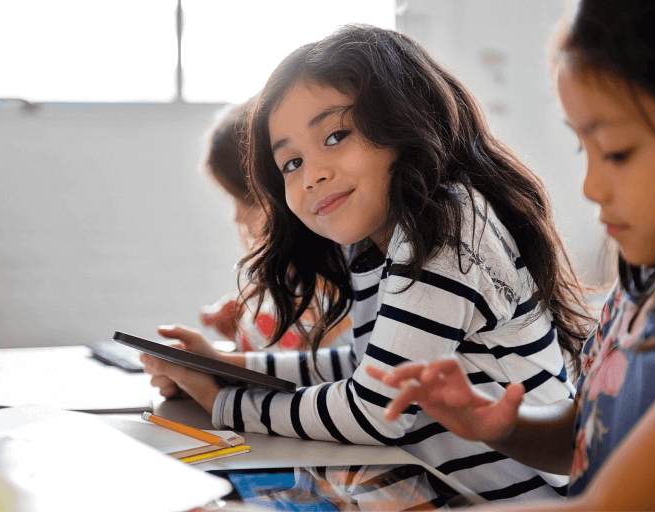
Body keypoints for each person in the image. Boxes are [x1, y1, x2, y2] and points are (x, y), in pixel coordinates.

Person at [141, 24, 595, 502]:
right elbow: (366, 366)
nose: (312, 173)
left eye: (335, 135)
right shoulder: (374, 241)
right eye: (291, 163)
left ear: (404, 122)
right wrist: (228, 365)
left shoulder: (445, 225)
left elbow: (375, 410)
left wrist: (223, 402)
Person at [367, 1, 655, 510]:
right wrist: (495, 423)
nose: (590, 185)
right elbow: (584, 435)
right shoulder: (640, 289)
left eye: (615, 151)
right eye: (580, 148)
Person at [167, 99, 352, 353]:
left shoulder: (340, 300)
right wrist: (239, 333)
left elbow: (302, 372)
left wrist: (221, 366)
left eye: (241, 199)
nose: (236, 219)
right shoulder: (287, 283)